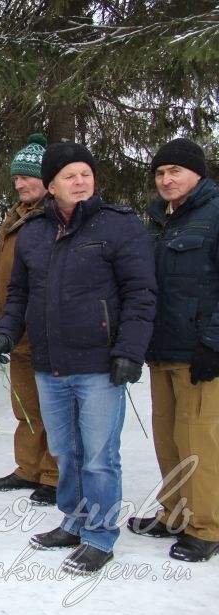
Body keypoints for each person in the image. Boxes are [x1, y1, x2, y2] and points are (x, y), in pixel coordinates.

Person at [0, 142, 156, 575]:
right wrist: (7, 331)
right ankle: (74, 521)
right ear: (52, 185)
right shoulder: (35, 232)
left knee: (99, 454)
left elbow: (141, 294)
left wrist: (129, 351)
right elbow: (20, 293)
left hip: (100, 365)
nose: (80, 181)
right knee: (66, 450)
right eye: (69, 175)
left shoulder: (119, 226)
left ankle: (99, 536)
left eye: (85, 173)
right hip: (49, 363)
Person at [131, 137, 219, 563]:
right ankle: (175, 513)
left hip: (200, 353)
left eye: (175, 171)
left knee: (197, 439)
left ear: (197, 173)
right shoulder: (157, 220)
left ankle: (206, 527)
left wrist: (214, 343)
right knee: (167, 438)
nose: (166, 179)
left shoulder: (214, 215)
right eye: (160, 173)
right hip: (161, 349)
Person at [0, 133, 59, 505]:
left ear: (47, 179)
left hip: (46, 328)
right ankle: (27, 467)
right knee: (24, 404)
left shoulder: (56, 216)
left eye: (26, 177)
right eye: (16, 179)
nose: (20, 184)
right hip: (15, 328)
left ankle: (54, 474)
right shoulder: (13, 219)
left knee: (51, 405)